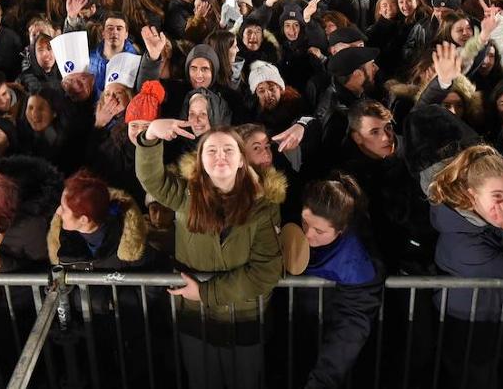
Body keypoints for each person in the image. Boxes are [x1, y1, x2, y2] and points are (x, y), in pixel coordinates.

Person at [135, 118, 282, 389]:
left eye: (228, 149)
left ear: (241, 160)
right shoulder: (185, 197)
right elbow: (152, 179)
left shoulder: (261, 207)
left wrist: (206, 292)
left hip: (245, 318)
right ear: (200, 161)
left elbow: (267, 271)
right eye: (211, 150)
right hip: (195, 318)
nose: (220, 156)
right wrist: (151, 136)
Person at [428, 144, 503, 387]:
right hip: (469, 327)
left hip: (495, 319)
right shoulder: (462, 243)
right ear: (470, 195)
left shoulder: (485, 221)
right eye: (497, 196)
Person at [295, 175, 382, 389]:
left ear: (341, 230)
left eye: (319, 231)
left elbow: (351, 327)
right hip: (298, 341)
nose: (307, 235)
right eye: (304, 223)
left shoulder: (357, 263)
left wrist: (322, 382)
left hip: (334, 361)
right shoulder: (298, 223)